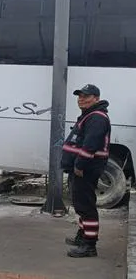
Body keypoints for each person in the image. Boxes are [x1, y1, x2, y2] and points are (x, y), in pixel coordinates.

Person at [61, 84, 111, 258]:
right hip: (81, 169)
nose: (81, 99)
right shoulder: (89, 115)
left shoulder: (97, 118)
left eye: (86, 96)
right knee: (81, 205)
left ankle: (89, 246)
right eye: (79, 96)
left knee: (86, 206)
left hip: (86, 169)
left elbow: (90, 145)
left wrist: (79, 165)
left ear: (96, 98)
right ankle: (82, 237)